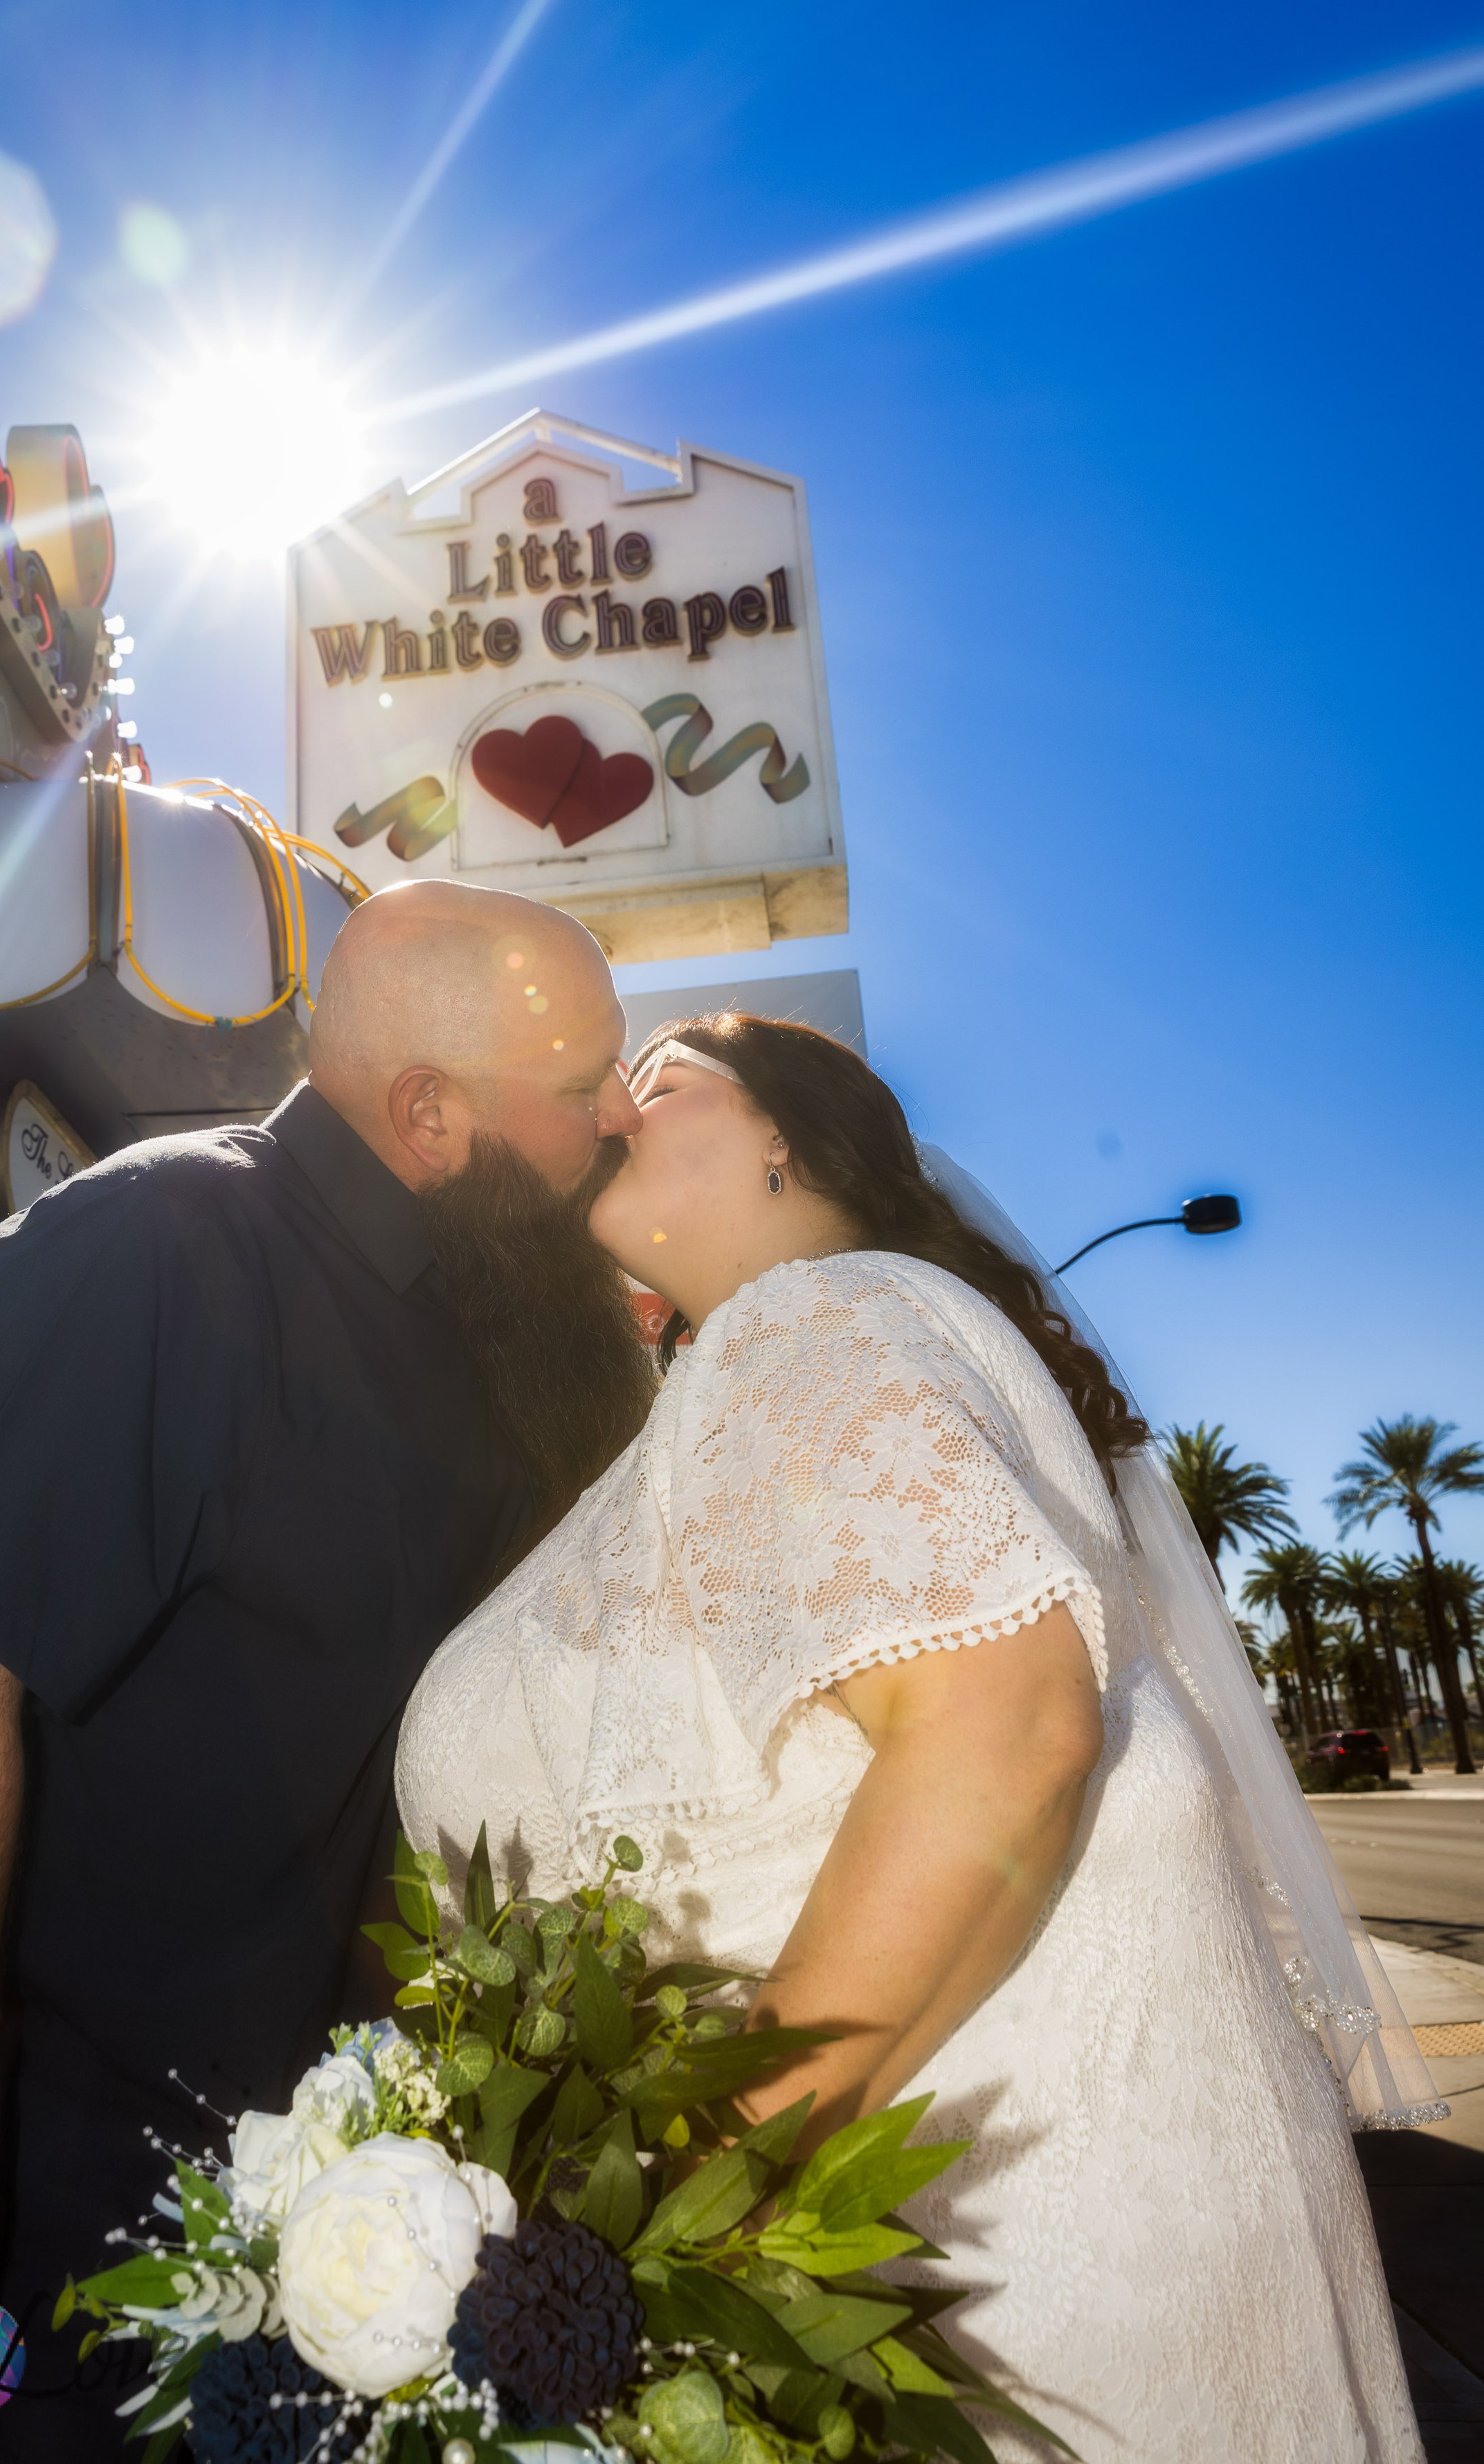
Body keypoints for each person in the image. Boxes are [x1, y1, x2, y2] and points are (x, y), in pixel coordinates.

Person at [397, 1014, 1428, 2464]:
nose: (621, 1095)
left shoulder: (802, 1324)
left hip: (960, 2327)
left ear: (788, 1142)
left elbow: (997, 1727)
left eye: (667, 1073)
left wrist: (672, 2225)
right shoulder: (791, 1358)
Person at [0, 882, 655, 2463]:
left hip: (333, 2293)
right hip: (47, 2316)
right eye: (583, 1081)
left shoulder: (493, 1338)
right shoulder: (152, 1251)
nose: (620, 1110)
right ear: (429, 1115)